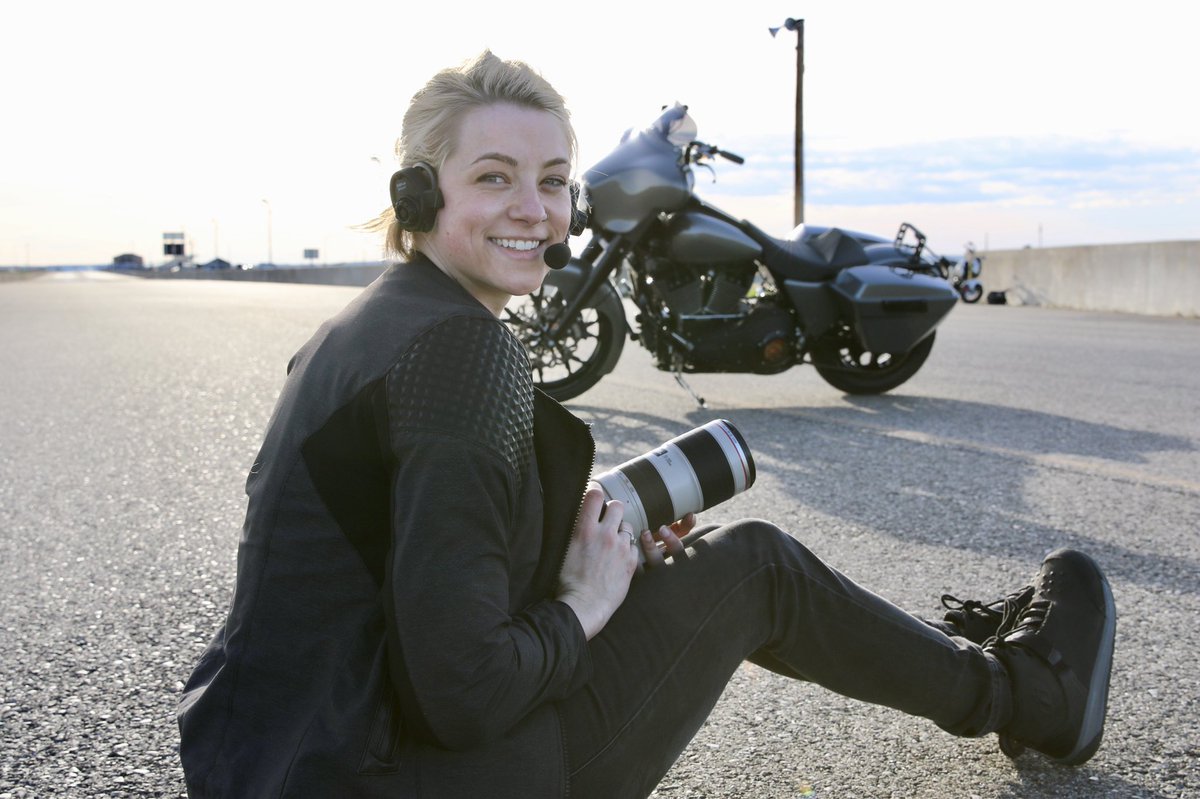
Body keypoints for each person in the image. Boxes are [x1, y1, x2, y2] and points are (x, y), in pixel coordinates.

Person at [177, 51, 1116, 798]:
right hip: (406, 774)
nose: (533, 210)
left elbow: (402, 565)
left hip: (269, 758)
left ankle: (994, 677)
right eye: (495, 177)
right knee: (755, 567)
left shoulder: (364, 328)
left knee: (692, 565)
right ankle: (1031, 693)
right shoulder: (462, 353)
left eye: (553, 181)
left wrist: (566, 540)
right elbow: (464, 694)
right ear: (419, 195)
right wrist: (586, 601)